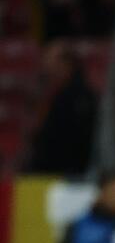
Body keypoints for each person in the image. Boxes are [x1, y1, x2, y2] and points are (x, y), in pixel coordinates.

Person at [27, 39, 98, 175]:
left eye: (52, 63)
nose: (48, 69)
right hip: (49, 173)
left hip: (66, 174)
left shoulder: (80, 97)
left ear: (66, 64)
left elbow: (77, 141)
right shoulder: (55, 92)